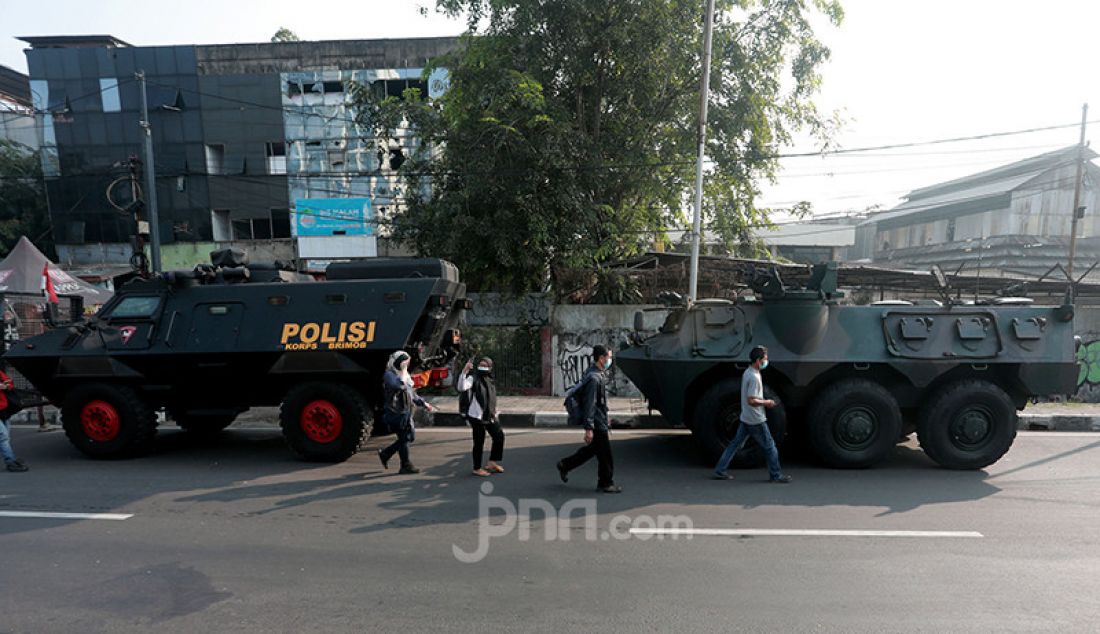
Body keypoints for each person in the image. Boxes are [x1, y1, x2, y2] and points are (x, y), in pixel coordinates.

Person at [713, 345, 791, 483]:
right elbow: (751, 400)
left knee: (734, 445)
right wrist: (767, 402)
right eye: (764, 359)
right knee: (770, 447)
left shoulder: (748, 372)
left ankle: (720, 470)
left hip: (746, 417)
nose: (766, 362)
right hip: (756, 419)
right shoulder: (754, 377)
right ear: (757, 360)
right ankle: (776, 475)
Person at [556, 345, 621, 493]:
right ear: (601, 358)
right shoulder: (594, 378)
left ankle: (565, 465)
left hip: (599, 420)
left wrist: (605, 418)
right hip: (596, 422)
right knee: (605, 455)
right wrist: (589, 428)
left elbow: (600, 403)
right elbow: (590, 405)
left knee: (592, 450)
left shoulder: (596, 373)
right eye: (608, 357)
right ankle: (605, 483)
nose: (610, 360)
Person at [378, 350, 435, 474]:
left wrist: (424, 403)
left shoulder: (403, 375)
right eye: (405, 363)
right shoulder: (389, 375)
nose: (407, 366)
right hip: (395, 413)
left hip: (405, 412)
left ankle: (401, 462)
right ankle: (392, 456)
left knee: (405, 438)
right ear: (399, 363)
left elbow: (411, 394)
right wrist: (403, 371)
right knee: (408, 437)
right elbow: (399, 386)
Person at [457, 356, 505, 477]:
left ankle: (491, 462)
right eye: (481, 365)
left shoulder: (490, 379)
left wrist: (494, 409)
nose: (482, 367)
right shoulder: (473, 378)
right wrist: (464, 371)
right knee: (479, 442)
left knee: (499, 435)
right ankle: (477, 468)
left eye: (485, 365)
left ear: (490, 367)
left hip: (489, 414)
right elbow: (461, 387)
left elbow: (491, 397)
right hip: (476, 416)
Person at [0, 363, 28, 472]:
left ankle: (10, 459)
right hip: (3, 408)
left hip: (3, 409)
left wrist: (6, 385)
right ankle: (10, 461)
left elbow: (9, 383)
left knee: (5, 436)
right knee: (3, 437)